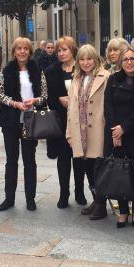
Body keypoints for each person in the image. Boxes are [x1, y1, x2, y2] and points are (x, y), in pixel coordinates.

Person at [0, 37, 48, 212]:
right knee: (11, 161)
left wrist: (35, 100)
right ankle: (8, 199)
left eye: (26, 48)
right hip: (10, 120)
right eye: (19, 48)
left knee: (29, 161)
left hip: (30, 120)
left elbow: (44, 96)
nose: (22, 51)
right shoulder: (7, 70)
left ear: (30, 52)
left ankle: (30, 199)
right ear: (14, 52)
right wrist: (14, 103)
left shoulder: (37, 70)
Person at [104, 47, 134, 228]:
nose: (130, 62)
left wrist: (124, 128)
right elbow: (108, 107)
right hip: (117, 134)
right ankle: (123, 211)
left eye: (133, 58)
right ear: (120, 62)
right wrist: (115, 132)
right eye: (126, 59)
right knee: (119, 174)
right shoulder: (113, 80)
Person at [66, 44, 111, 220]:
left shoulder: (106, 77)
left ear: (96, 59)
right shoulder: (76, 79)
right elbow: (70, 108)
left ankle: (101, 204)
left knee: (98, 168)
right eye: (82, 59)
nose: (86, 63)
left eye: (89, 58)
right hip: (79, 132)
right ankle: (96, 200)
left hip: (98, 130)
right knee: (86, 168)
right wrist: (69, 133)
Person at [44, 36, 81, 208]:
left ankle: (79, 191)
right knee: (64, 158)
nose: (61, 53)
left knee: (80, 158)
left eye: (65, 49)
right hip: (61, 121)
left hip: (80, 121)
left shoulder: (83, 68)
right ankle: (64, 193)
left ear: (73, 50)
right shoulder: (51, 70)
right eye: (59, 50)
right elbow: (47, 95)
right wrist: (59, 100)